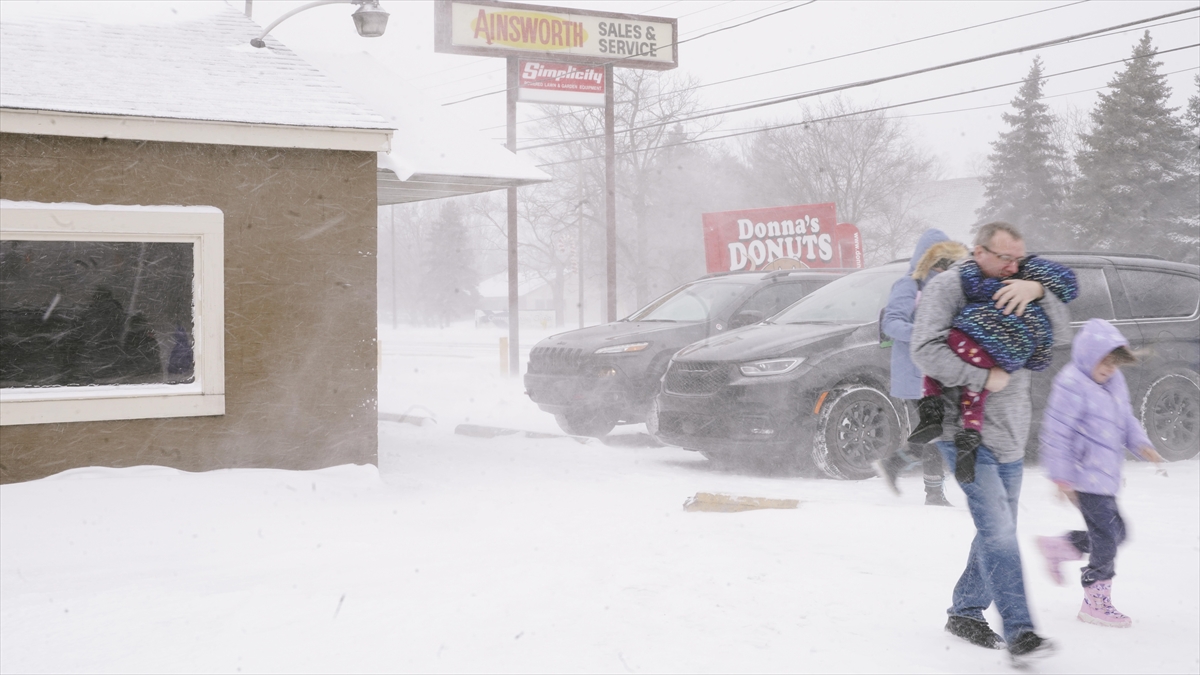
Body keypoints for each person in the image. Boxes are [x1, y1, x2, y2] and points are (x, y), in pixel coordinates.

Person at [910, 221, 1070, 662]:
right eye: (1004, 257)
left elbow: (1062, 335)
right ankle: (1021, 634)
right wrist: (982, 375)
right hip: (962, 431)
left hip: (1011, 432)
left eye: (1018, 257)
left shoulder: (1024, 280)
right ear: (978, 251)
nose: (1013, 266)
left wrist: (1038, 292)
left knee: (997, 530)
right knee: (998, 531)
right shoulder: (948, 287)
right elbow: (923, 349)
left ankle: (965, 610)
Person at [1035, 319, 1163, 628]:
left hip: (1105, 476)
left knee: (1118, 533)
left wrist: (1141, 445)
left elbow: (1125, 418)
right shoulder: (1071, 384)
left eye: (1114, 364)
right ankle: (1095, 601)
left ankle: (1062, 546)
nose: (1108, 369)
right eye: (1102, 363)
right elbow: (1057, 434)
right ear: (1087, 356)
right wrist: (1061, 478)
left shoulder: (1113, 382)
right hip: (1082, 476)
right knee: (1106, 538)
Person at [907, 255, 1078, 482]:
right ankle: (969, 437)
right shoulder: (1041, 308)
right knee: (975, 398)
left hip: (966, 342)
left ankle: (931, 415)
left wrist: (968, 268)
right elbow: (1048, 345)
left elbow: (972, 287)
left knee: (937, 368)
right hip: (997, 362)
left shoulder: (1000, 284)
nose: (1012, 266)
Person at [875, 230, 967, 506]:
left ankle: (895, 464)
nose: (942, 265)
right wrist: (926, 333)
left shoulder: (946, 286)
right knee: (937, 429)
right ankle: (934, 493)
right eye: (938, 259)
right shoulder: (909, 286)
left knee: (939, 429)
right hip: (915, 373)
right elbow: (891, 324)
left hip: (939, 371)